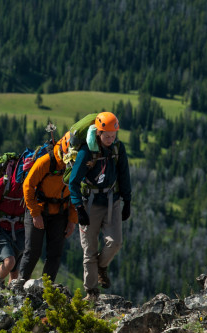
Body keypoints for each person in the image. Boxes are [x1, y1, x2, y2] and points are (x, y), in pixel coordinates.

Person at [68, 111, 132, 302]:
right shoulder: (86, 152)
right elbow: (73, 182)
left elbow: (124, 175)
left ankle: (102, 266)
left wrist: (127, 201)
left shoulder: (117, 149)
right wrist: (78, 208)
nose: (110, 139)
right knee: (89, 250)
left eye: (113, 136)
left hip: (112, 200)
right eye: (107, 136)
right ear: (98, 133)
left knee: (116, 242)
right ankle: (92, 292)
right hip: (90, 203)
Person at [19, 145, 77, 282]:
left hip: (60, 212)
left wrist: (72, 220)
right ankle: (19, 286)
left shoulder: (78, 165)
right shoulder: (45, 162)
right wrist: (35, 214)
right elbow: (28, 186)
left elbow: (77, 193)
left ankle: (47, 289)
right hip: (38, 208)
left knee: (55, 254)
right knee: (32, 252)